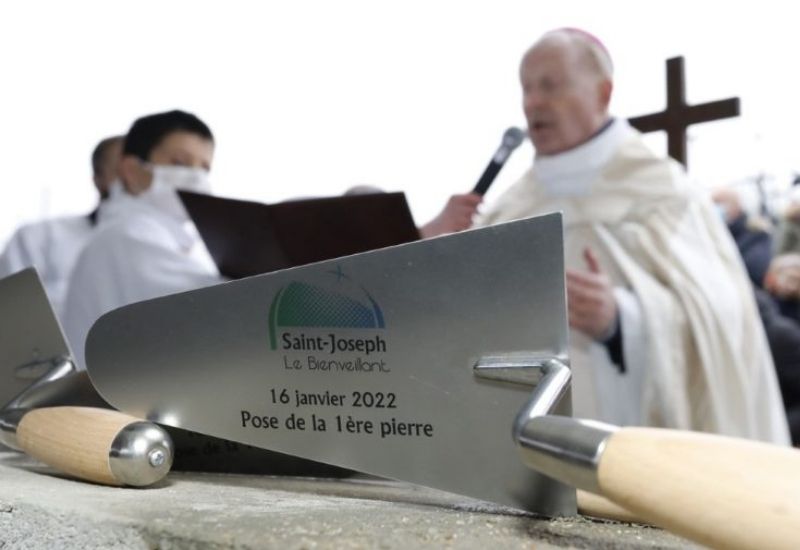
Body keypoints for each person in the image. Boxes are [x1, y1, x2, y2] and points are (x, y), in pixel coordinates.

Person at [474, 28, 789, 444]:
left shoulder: (666, 194)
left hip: (642, 455)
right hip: (528, 458)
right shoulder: (508, 210)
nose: (532, 102)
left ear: (603, 93)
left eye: (549, 86)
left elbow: (724, 321)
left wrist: (622, 321)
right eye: (526, 89)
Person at [63, 110, 224, 368]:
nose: (197, 177)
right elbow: (217, 307)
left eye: (205, 168)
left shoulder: (162, 237)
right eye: (180, 163)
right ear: (132, 170)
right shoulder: (128, 235)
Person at [0, 135, 123, 317]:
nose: (136, 180)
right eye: (122, 171)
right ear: (98, 178)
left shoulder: (173, 255)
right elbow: (13, 313)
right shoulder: (38, 237)